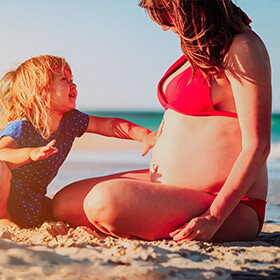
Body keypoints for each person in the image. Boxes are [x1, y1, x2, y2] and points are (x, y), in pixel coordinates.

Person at [52, 0, 272, 243]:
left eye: (166, 16)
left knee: (104, 202)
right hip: (173, 186)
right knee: (65, 203)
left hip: (226, 202)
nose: (164, 27)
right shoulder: (200, 49)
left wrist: (214, 216)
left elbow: (257, 146)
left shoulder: (243, 48)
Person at [0, 55, 156, 228]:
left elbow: (108, 125)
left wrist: (144, 135)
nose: (73, 85)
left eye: (72, 79)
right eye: (64, 79)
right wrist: (30, 153)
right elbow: (2, 154)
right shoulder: (23, 126)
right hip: (7, 200)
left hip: (33, 204)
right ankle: (2, 218)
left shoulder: (71, 120)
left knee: (65, 209)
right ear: (40, 91)